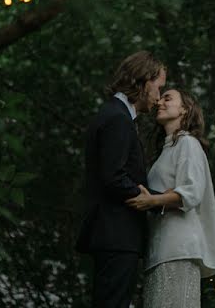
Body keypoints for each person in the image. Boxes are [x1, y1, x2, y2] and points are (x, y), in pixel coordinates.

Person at [76, 51, 167, 308]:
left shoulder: (115, 114)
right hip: (116, 233)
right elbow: (113, 176)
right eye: (159, 88)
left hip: (113, 234)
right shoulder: (117, 118)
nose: (159, 97)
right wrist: (150, 200)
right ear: (144, 81)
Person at [125, 89, 215, 308]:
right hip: (159, 249)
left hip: (178, 248)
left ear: (185, 109)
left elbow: (192, 191)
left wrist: (153, 201)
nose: (159, 101)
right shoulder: (166, 151)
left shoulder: (188, 143)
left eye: (168, 98)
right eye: (160, 98)